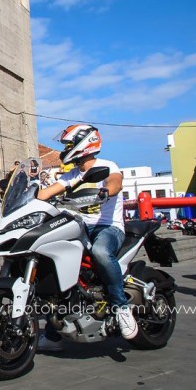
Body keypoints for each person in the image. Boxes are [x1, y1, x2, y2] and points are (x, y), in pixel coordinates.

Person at [37, 125, 137, 351]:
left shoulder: (107, 166)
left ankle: (121, 307)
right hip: (79, 228)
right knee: (58, 265)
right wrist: (29, 198)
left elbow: (115, 182)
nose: (66, 149)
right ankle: (54, 334)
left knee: (101, 251)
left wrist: (106, 191)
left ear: (84, 144)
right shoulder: (72, 175)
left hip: (108, 227)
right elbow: (47, 192)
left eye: (69, 145)